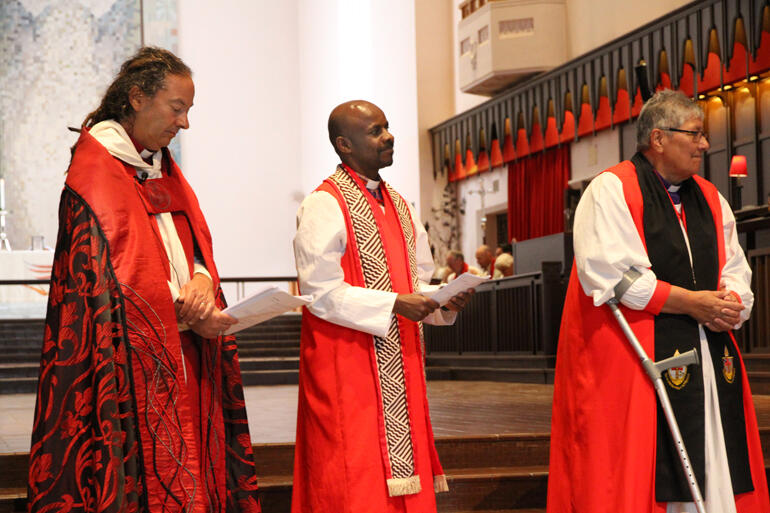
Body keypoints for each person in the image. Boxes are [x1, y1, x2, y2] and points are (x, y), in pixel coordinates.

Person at [27, 47, 261, 513]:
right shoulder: (95, 172)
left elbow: (188, 240)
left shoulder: (158, 164)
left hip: (187, 346)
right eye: (177, 108)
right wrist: (182, 302)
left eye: (188, 110)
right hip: (126, 363)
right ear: (136, 97)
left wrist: (199, 280)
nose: (185, 122)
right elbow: (112, 274)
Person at [547, 90, 769, 513]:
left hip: (707, 353)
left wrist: (732, 303)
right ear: (659, 138)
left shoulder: (709, 197)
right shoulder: (611, 189)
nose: (705, 144)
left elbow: (737, 268)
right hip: (638, 358)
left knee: (716, 458)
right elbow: (613, 275)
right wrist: (692, 303)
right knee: (643, 472)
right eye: (696, 134)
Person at [292, 100, 472, 513]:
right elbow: (319, 291)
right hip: (347, 363)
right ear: (345, 144)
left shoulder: (402, 206)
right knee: (353, 476)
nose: (388, 136)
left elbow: (417, 281)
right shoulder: (324, 204)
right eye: (375, 131)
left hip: (400, 359)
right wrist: (395, 304)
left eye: (387, 127)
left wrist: (444, 298)